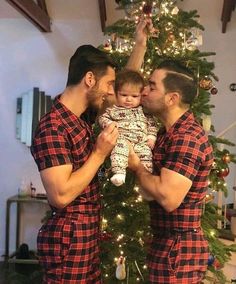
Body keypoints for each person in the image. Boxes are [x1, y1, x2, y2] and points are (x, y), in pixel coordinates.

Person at [30, 19, 153, 283]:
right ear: (89, 79)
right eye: (109, 84)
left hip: (87, 235)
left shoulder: (82, 116)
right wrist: (99, 154)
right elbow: (60, 195)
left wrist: (140, 45)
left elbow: (125, 94)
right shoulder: (52, 126)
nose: (113, 92)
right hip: (68, 240)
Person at [128, 59, 214, 282]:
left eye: (153, 86)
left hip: (179, 252)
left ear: (172, 98)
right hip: (167, 245)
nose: (144, 91)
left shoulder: (186, 137)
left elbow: (168, 197)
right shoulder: (167, 134)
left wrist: (137, 166)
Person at [98, 69, 157, 196]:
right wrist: (109, 124)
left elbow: (151, 125)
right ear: (116, 94)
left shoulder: (144, 112)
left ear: (141, 96)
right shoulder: (113, 110)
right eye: (124, 95)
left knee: (147, 160)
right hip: (123, 140)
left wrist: (151, 137)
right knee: (119, 150)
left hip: (142, 143)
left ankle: (147, 188)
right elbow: (102, 119)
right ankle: (119, 172)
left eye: (134, 96)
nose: (129, 99)